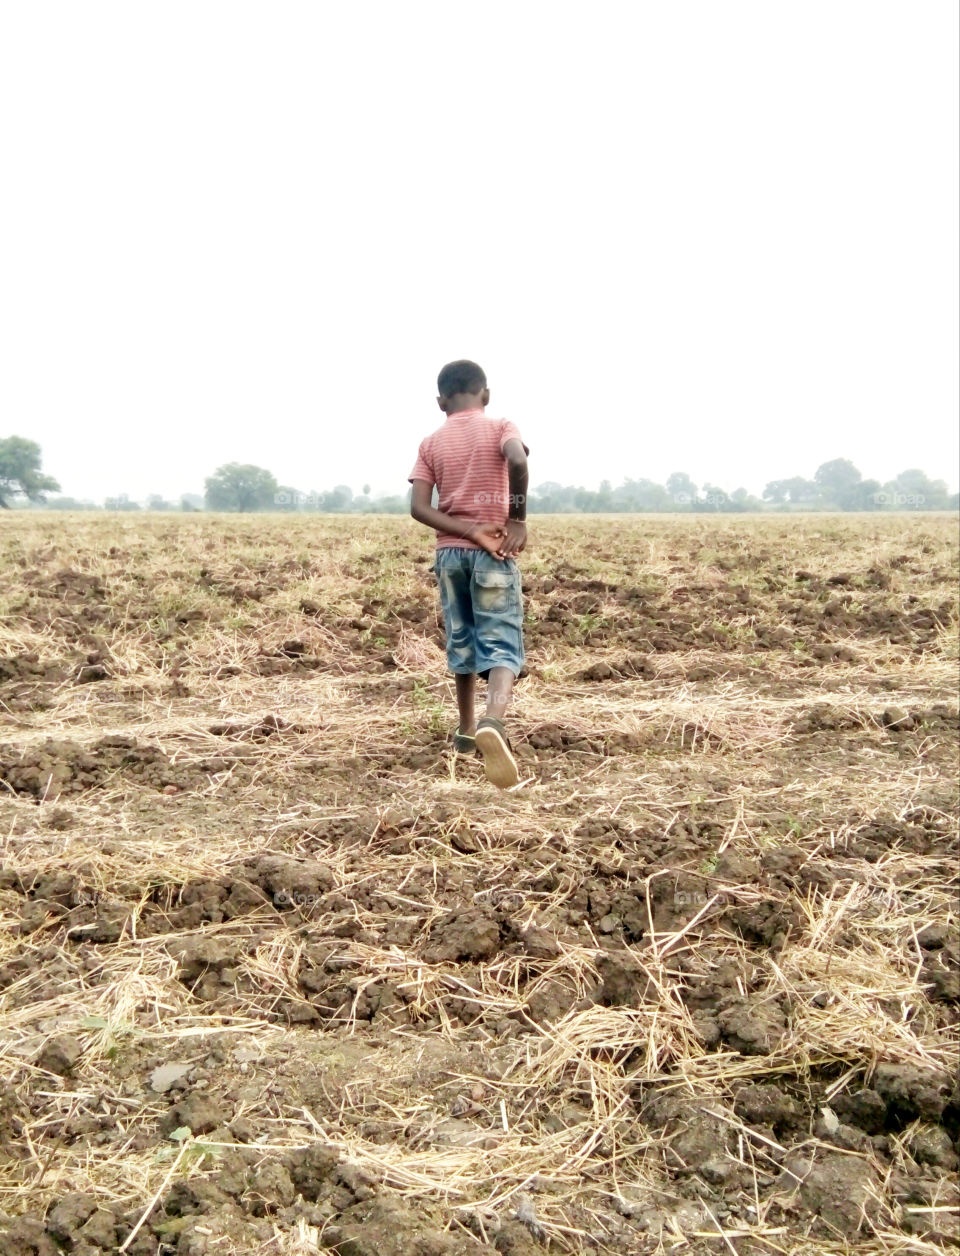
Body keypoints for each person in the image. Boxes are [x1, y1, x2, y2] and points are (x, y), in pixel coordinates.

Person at [409, 360, 529, 788]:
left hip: (450, 557)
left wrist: (464, 529)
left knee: (462, 638)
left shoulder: (431, 443)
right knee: (500, 642)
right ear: (486, 395)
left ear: (441, 402)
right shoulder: (500, 426)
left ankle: (464, 732)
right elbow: (517, 459)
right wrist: (516, 518)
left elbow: (419, 508)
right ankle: (492, 722)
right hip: (493, 556)